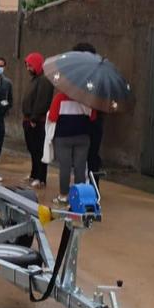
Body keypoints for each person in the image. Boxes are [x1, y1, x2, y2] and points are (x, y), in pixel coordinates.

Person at [48, 91, 97, 204]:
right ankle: (78, 197)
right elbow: (93, 117)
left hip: (63, 137)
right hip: (83, 137)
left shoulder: (59, 97)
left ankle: (63, 195)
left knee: (65, 167)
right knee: (80, 167)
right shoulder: (88, 98)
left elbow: (52, 117)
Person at [21, 52, 55, 188]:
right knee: (32, 149)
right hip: (30, 120)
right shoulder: (36, 79)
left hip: (36, 121)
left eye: (30, 65)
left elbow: (42, 101)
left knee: (39, 150)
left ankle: (41, 178)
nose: (28, 68)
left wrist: (34, 118)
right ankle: (34, 174)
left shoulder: (44, 80)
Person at [72, 41, 106, 176]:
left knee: (91, 155)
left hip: (93, 121)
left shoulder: (99, 76)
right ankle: (81, 184)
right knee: (80, 156)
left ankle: (93, 186)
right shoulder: (78, 75)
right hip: (80, 120)